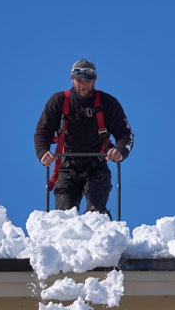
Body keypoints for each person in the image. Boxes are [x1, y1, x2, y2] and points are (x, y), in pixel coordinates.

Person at [35, 59, 134, 216]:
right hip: (66, 167)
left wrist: (120, 151)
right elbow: (43, 131)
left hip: (97, 168)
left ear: (94, 80)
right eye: (79, 80)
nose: (83, 84)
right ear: (72, 79)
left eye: (87, 80)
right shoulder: (58, 102)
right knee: (62, 218)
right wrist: (42, 152)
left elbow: (125, 134)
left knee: (96, 215)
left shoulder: (109, 104)